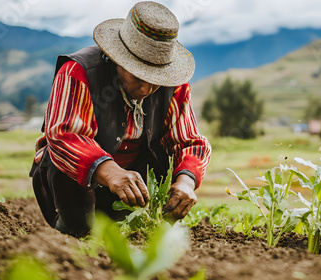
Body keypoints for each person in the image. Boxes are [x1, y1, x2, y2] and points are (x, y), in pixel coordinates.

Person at [29, 1, 211, 236]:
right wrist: (110, 172)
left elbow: (190, 142)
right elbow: (65, 136)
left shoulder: (174, 87)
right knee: (80, 230)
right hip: (73, 187)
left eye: (156, 78)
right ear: (117, 58)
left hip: (132, 186)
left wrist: (186, 181)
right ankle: (72, 230)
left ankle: (136, 228)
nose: (147, 89)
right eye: (138, 76)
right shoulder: (80, 72)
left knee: (167, 165)